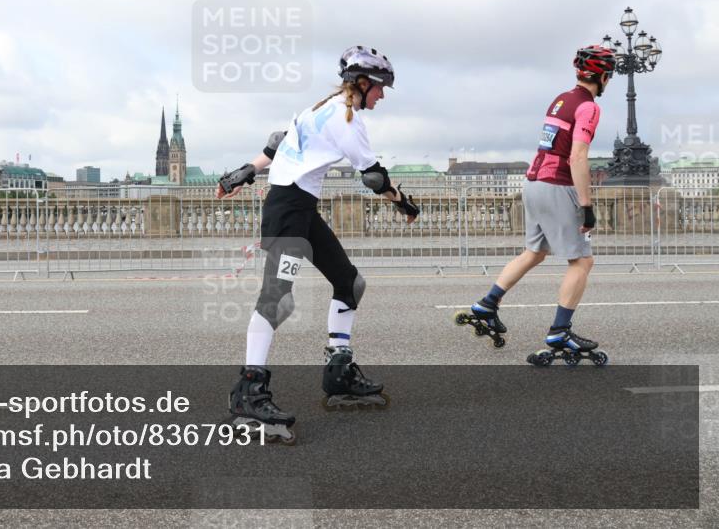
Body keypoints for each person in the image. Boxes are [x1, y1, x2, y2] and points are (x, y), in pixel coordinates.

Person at [215, 46, 420, 443]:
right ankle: (249, 391)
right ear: (362, 84)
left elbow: (277, 144)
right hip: (288, 211)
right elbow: (374, 178)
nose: (382, 96)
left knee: (350, 283)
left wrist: (243, 172)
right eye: (380, 88)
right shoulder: (347, 119)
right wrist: (406, 204)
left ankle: (338, 370)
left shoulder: (319, 108)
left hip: (302, 210)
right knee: (277, 298)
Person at [455, 45, 614, 366]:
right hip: (557, 184)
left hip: (533, 182)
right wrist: (586, 204)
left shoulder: (560, 99)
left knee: (534, 252)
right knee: (582, 261)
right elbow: (578, 156)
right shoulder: (589, 108)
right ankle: (560, 331)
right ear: (603, 76)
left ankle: (487, 305)